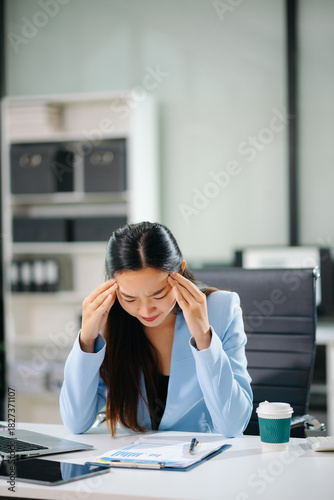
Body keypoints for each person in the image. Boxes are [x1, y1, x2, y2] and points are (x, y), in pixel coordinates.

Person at [60, 221, 252, 437]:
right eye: (129, 297)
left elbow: (232, 425)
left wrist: (203, 337)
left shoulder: (221, 309)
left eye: (158, 294)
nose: (145, 310)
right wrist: (86, 340)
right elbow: (75, 422)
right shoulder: (107, 317)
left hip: (199, 457)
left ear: (180, 271)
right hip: (131, 460)